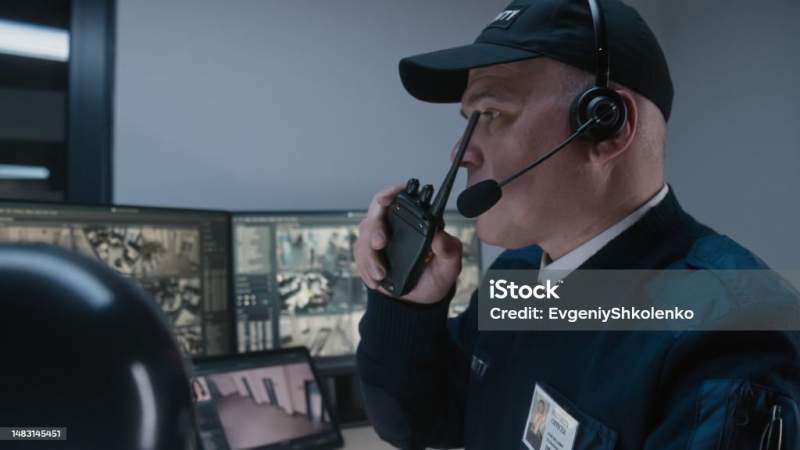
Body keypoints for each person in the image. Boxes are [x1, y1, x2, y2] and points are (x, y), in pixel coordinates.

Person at [353, 0, 800, 449]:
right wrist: (407, 305)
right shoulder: (519, 275)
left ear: (605, 127)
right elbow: (417, 424)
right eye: (469, 121)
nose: (459, 152)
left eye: (490, 113)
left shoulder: (729, 335)